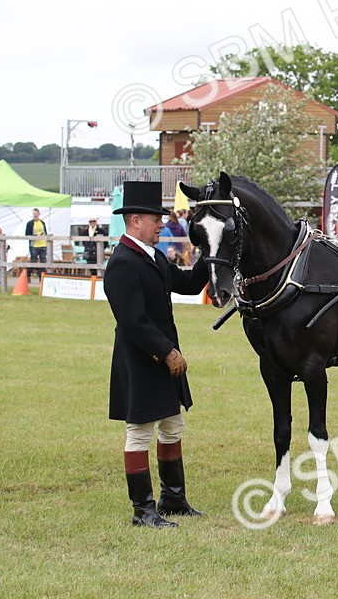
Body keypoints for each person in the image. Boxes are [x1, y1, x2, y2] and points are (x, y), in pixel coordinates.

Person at [105, 181, 209, 529]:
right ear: (136, 221)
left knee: (172, 424)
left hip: (165, 358)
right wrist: (166, 352)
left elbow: (191, 284)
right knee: (140, 431)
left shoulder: (155, 257)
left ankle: (173, 499)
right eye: (155, 219)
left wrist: (211, 249)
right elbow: (133, 321)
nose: (161, 224)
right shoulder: (122, 263)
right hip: (142, 359)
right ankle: (143, 510)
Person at [24, 208, 48, 281]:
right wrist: (34, 236)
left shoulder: (42, 223)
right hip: (34, 245)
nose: (35, 215)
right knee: (33, 261)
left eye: (36, 213)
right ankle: (28, 275)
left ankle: (42, 277)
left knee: (43, 261)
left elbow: (45, 232)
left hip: (43, 244)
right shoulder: (30, 223)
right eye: (34, 213)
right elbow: (27, 234)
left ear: (39, 214)